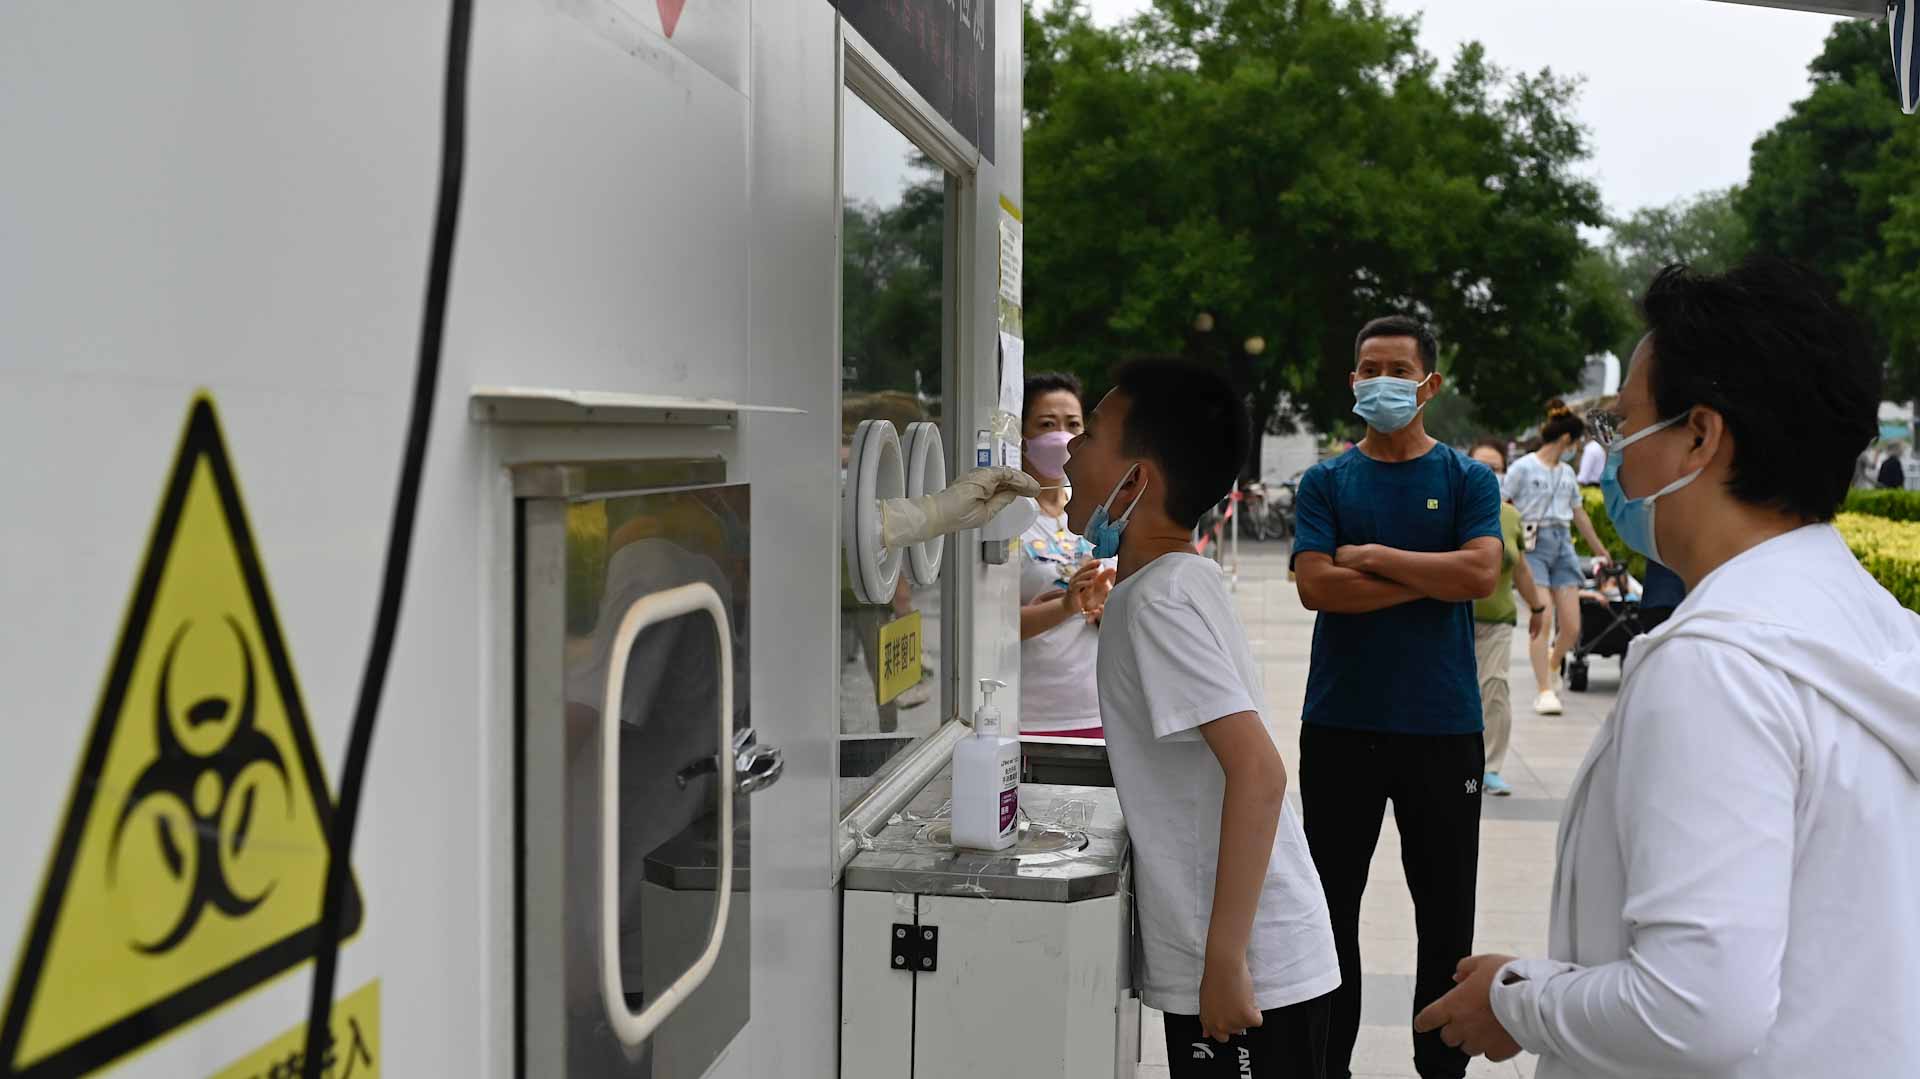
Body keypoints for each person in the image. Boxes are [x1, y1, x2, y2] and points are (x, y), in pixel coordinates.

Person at [1414, 258, 1920, 1078]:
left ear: (1699, 435)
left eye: (1622, 426)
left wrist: (1517, 998)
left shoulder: (1716, 667)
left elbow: (1696, 1009)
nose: (1611, 460)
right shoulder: (1878, 631)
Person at [1062, 357, 1339, 1077]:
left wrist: (1224, 962)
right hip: (1249, 956)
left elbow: (1257, 770)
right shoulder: (1170, 581)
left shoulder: (1159, 602)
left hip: (1249, 970)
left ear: (1133, 482)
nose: (1068, 449)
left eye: (1089, 434)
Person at [1290, 315, 1503, 1079]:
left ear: (1429, 384)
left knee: (1445, 920)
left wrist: (1375, 559)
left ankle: (1439, 1067)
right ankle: (1326, 1064)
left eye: (1398, 368)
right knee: (1329, 914)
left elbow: (1481, 574)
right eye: (1369, 367)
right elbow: (1316, 585)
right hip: (1342, 726)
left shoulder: (1468, 479)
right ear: (1353, 381)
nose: (1382, 380)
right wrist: (1428, 577)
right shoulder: (1325, 480)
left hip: (1443, 729)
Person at [1017, 372, 1114, 738]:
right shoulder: (1004, 516)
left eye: (1073, 424)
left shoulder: (1097, 509)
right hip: (1032, 715)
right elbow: (988, 627)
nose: (1062, 435)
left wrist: (1109, 608)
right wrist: (1065, 606)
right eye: (1047, 424)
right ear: (1023, 436)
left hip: (1101, 706)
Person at [1506, 403, 1614, 716]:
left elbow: (1579, 514)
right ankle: (1544, 690)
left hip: (1562, 543)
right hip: (1533, 545)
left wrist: (1599, 550)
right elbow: (1502, 503)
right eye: (1578, 442)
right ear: (1567, 439)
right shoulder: (1523, 468)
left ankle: (1554, 663)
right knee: (1543, 617)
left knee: (1572, 626)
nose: (1578, 448)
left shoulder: (1567, 473)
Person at [1466, 440, 1547, 798]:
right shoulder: (1450, 507)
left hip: (1497, 620)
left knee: (1495, 686)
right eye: (1481, 465)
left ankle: (1491, 767)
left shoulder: (1510, 516)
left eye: (1495, 467)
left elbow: (1520, 567)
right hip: (1448, 620)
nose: (1488, 474)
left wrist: (1538, 607)